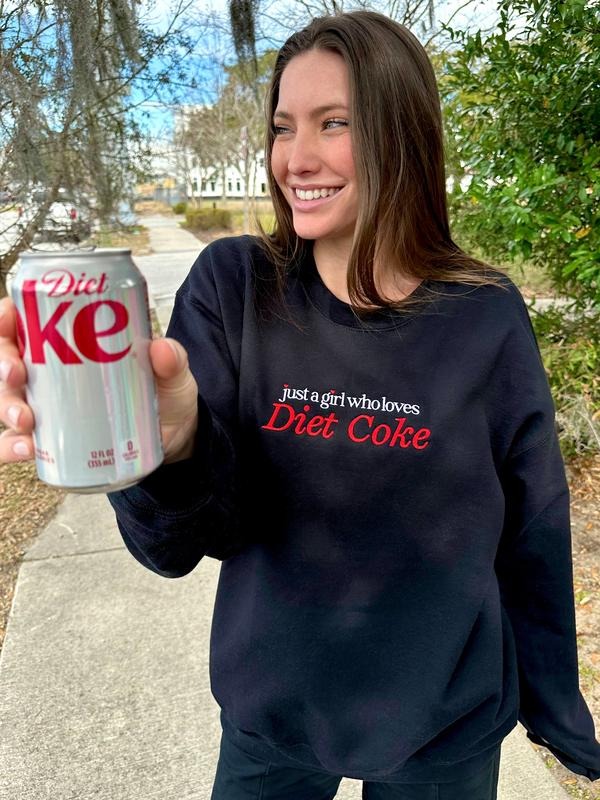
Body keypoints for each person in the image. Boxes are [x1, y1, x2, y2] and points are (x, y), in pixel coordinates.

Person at [1, 10, 599, 799]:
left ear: (402, 136)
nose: (297, 157)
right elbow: (181, 544)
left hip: (445, 717)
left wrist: (558, 710)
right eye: (284, 127)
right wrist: (174, 447)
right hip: (272, 711)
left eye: (334, 123)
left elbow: (533, 522)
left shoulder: (483, 311)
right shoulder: (235, 285)